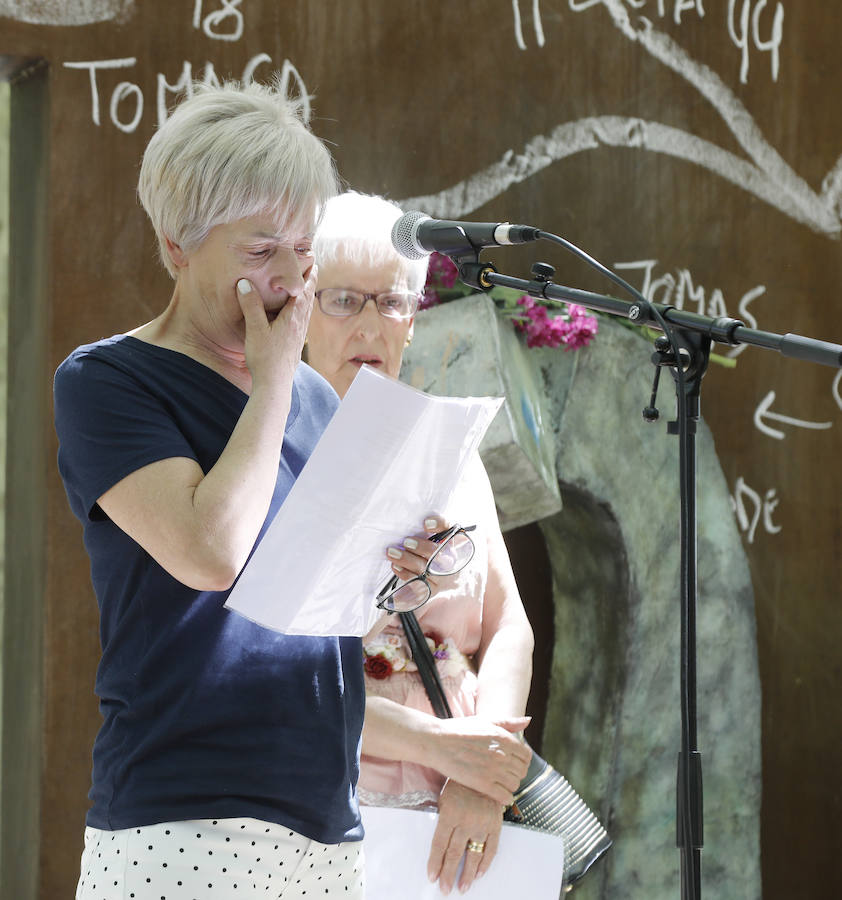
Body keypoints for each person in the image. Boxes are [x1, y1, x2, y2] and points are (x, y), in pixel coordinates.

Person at [54, 79, 367, 900]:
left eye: (305, 249)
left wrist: (408, 566)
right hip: (183, 814)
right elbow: (209, 550)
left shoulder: (316, 398)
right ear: (176, 246)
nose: (291, 282)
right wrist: (271, 384)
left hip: (326, 818)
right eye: (262, 253)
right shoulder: (107, 381)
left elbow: (337, 596)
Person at [307, 192, 535, 896]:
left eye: (394, 301)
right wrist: (459, 755)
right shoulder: (277, 458)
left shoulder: (450, 450)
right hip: (326, 819)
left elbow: (509, 626)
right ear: (300, 312)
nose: (372, 323)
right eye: (344, 300)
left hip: (462, 819)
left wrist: (484, 780)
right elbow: (287, 683)